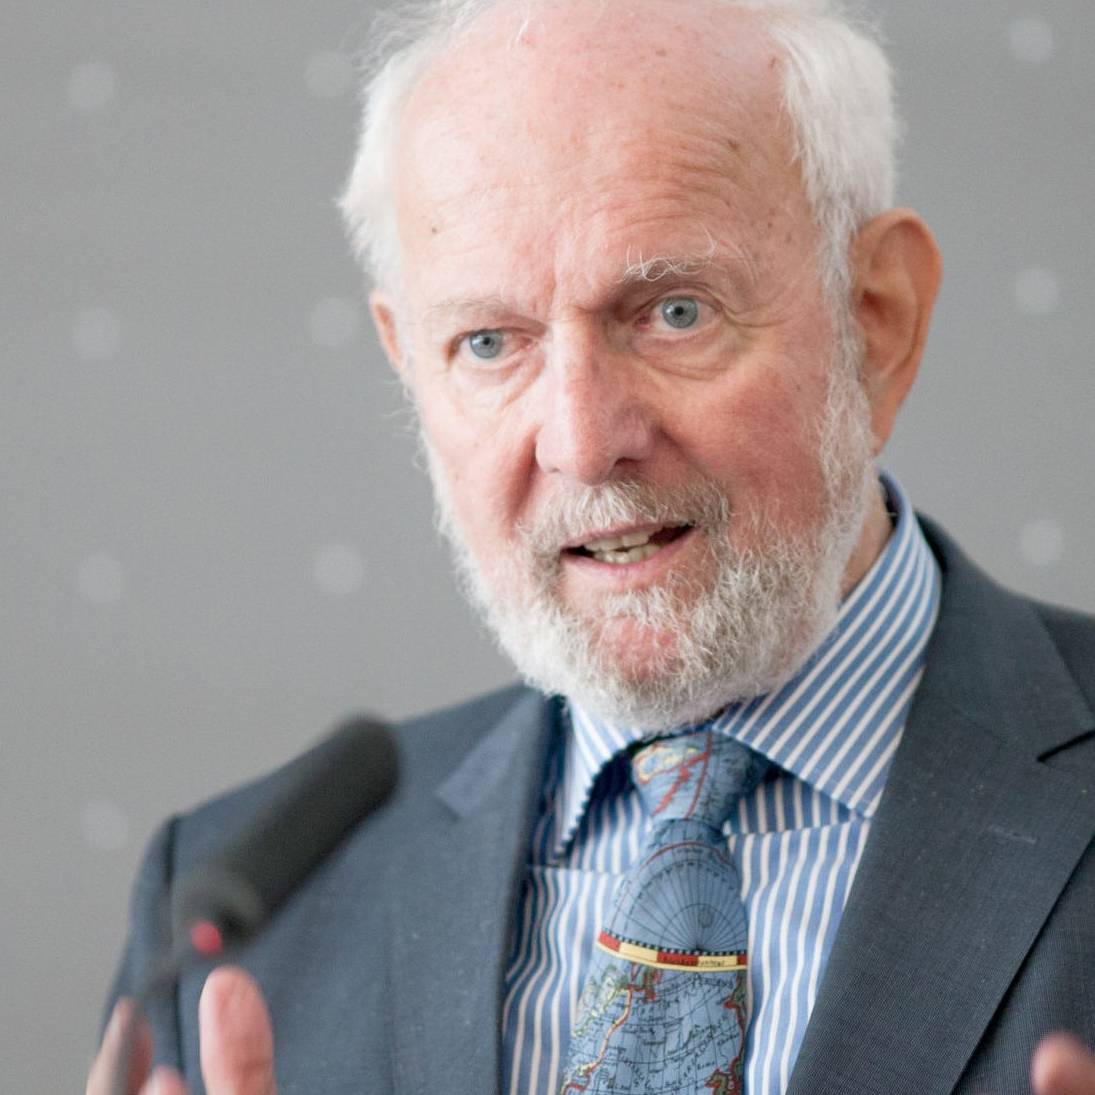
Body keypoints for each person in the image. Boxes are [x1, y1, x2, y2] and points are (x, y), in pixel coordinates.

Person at [87, 0, 1095, 1092]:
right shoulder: (242, 914)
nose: (580, 441)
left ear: (877, 317)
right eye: (488, 342)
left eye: (673, 313)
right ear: (408, 362)